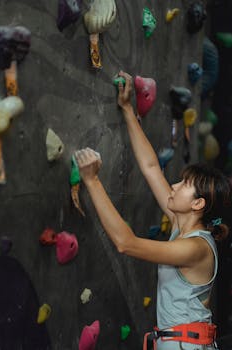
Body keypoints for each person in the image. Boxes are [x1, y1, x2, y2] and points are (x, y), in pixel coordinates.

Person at [74, 71, 231, 350]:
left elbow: (126, 243)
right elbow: (150, 168)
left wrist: (92, 181)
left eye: (184, 185)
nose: (174, 185)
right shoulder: (181, 224)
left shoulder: (196, 248)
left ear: (198, 204)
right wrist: (127, 109)